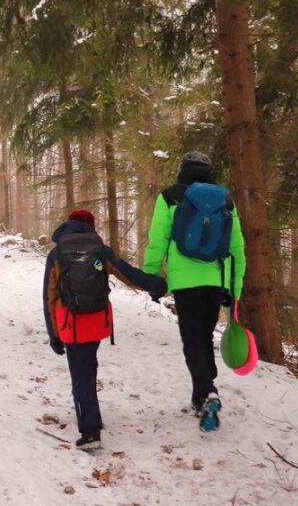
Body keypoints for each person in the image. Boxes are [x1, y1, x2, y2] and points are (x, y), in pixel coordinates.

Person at [42, 209, 166, 451]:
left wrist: (54, 335)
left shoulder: (57, 253)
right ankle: (92, 414)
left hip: (71, 324)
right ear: (90, 226)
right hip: (97, 321)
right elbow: (129, 275)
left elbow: (48, 297)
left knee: (81, 375)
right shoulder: (100, 250)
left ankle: (90, 430)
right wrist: (158, 285)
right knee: (88, 365)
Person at [142, 151, 246, 432]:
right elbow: (237, 248)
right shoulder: (224, 200)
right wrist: (234, 287)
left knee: (192, 342)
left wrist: (151, 276)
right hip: (215, 279)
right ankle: (200, 397)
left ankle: (208, 391)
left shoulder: (170, 196)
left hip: (185, 283)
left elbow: (158, 240)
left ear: (182, 169)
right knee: (202, 337)